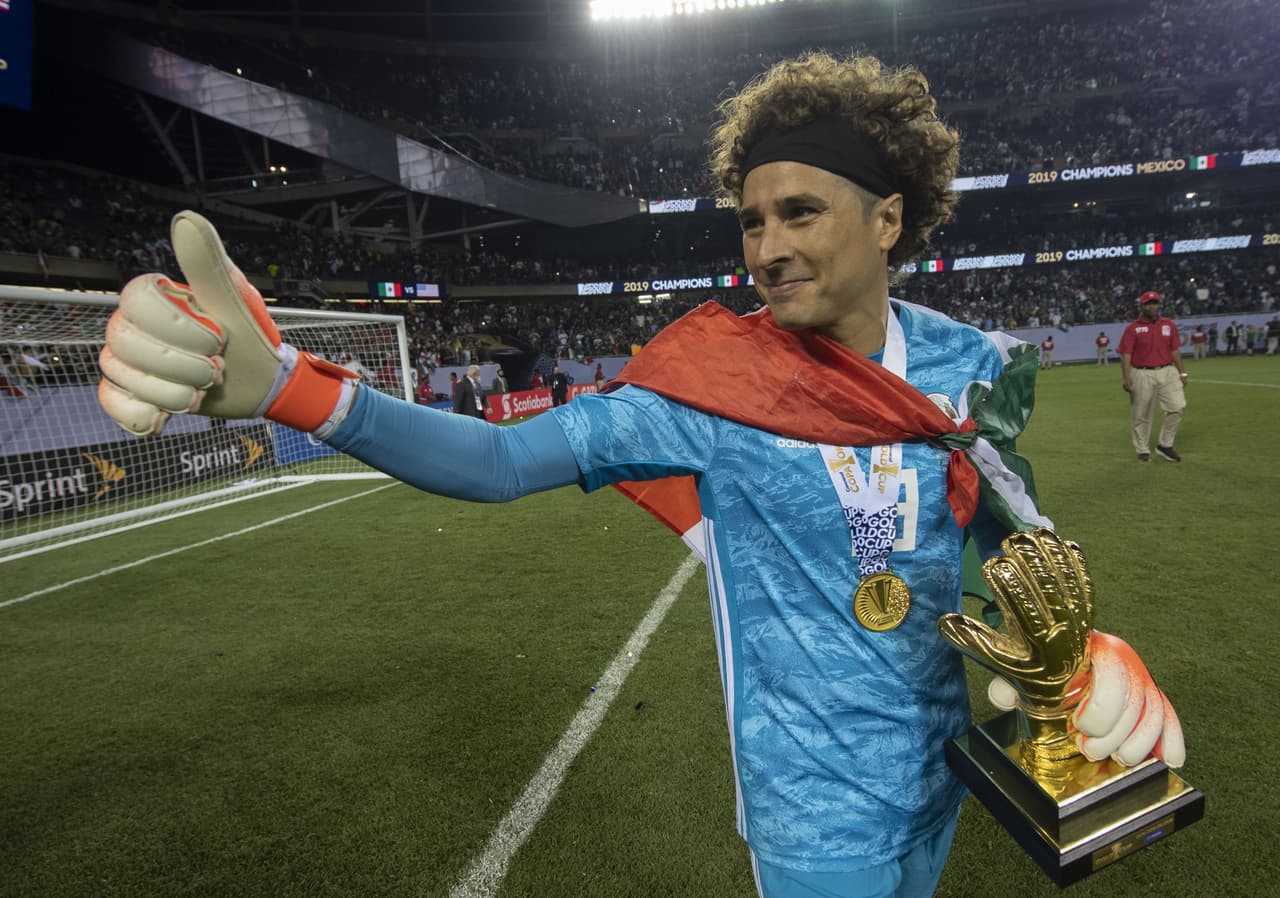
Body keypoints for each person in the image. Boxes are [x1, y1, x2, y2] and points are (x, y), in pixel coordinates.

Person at [94, 52, 1185, 898]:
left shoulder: (968, 362)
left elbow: (1008, 529)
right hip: (810, 806)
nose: (765, 246)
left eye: (798, 211)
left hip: (944, 770)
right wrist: (291, 385)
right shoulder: (709, 383)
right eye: (751, 219)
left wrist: (1084, 646)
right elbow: (497, 456)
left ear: (887, 217)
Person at [1119, 291, 1188, 462]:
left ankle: (1165, 445)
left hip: (1168, 370)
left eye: (1155, 303)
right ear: (1142, 306)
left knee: (1177, 407)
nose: (1152, 306)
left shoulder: (1169, 325)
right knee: (1141, 413)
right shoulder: (1133, 328)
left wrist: (1182, 372)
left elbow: (1175, 351)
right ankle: (1142, 449)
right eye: (1148, 303)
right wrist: (1126, 378)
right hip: (1142, 372)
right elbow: (1126, 354)